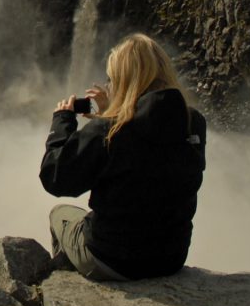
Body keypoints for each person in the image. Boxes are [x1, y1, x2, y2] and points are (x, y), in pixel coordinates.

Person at [40, 33, 206, 281]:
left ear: (124, 78)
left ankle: (66, 281)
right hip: (171, 258)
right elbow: (147, 154)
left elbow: (55, 177)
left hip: (113, 258)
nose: (109, 84)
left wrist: (62, 121)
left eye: (111, 78)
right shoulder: (193, 122)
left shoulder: (110, 131)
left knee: (60, 213)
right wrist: (110, 113)